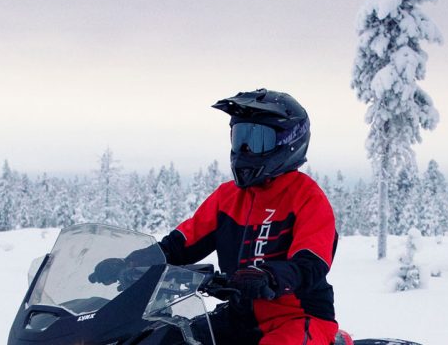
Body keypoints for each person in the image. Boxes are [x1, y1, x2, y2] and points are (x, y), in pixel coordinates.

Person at [93, 89, 339, 345]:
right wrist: (130, 263)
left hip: (297, 318)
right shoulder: (227, 198)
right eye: (240, 138)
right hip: (238, 317)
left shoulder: (307, 197)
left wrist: (269, 277)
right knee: (164, 337)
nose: (244, 149)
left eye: (257, 140)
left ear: (289, 142)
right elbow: (180, 245)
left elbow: (310, 263)